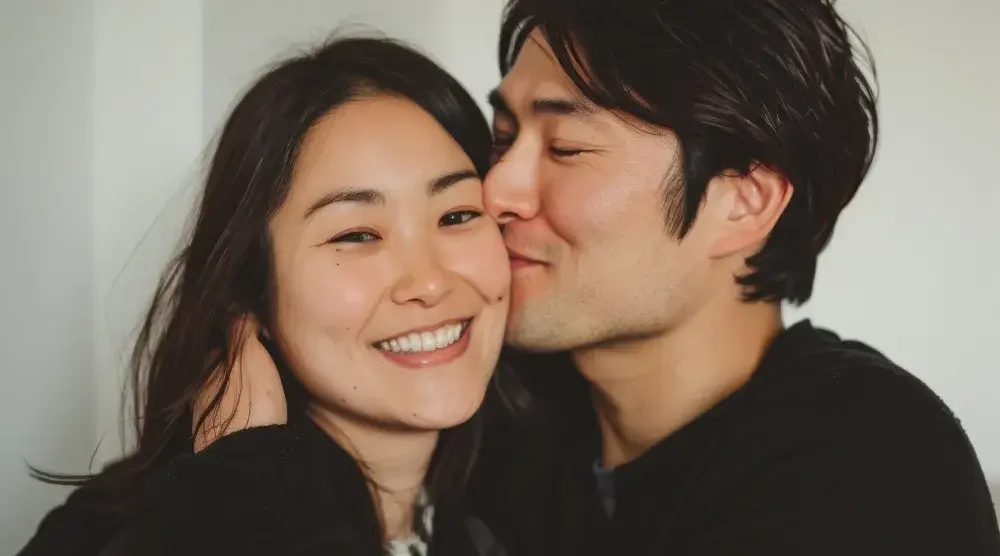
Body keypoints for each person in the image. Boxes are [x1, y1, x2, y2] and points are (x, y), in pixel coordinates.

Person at [463, 0, 1000, 555]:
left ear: (743, 202)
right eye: (503, 138)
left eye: (566, 149)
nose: (496, 190)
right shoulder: (497, 419)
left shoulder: (869, 457)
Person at [18, 36, 512, 556]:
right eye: (356, 235)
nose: (430, 282)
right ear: (255, 293)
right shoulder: (140, 537)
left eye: (457, 215)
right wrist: (250, 490)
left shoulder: (514, 514)